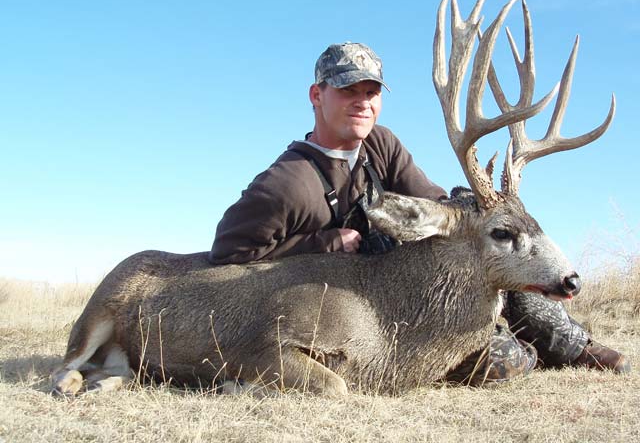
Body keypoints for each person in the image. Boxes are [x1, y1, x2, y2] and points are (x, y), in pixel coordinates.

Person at [209, 42, 630, 383]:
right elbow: (227, 254)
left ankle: (572, 345)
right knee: (504, 361)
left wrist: (476, 206)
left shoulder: (381, 144)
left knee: (494, 242)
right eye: (347, 91)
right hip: (353, 308)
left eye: (370, 93)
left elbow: (433, 203)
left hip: (407, 281)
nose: (362, 103)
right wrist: (321, 242)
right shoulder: (286, 184)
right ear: (317, 95)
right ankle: (512, 346)